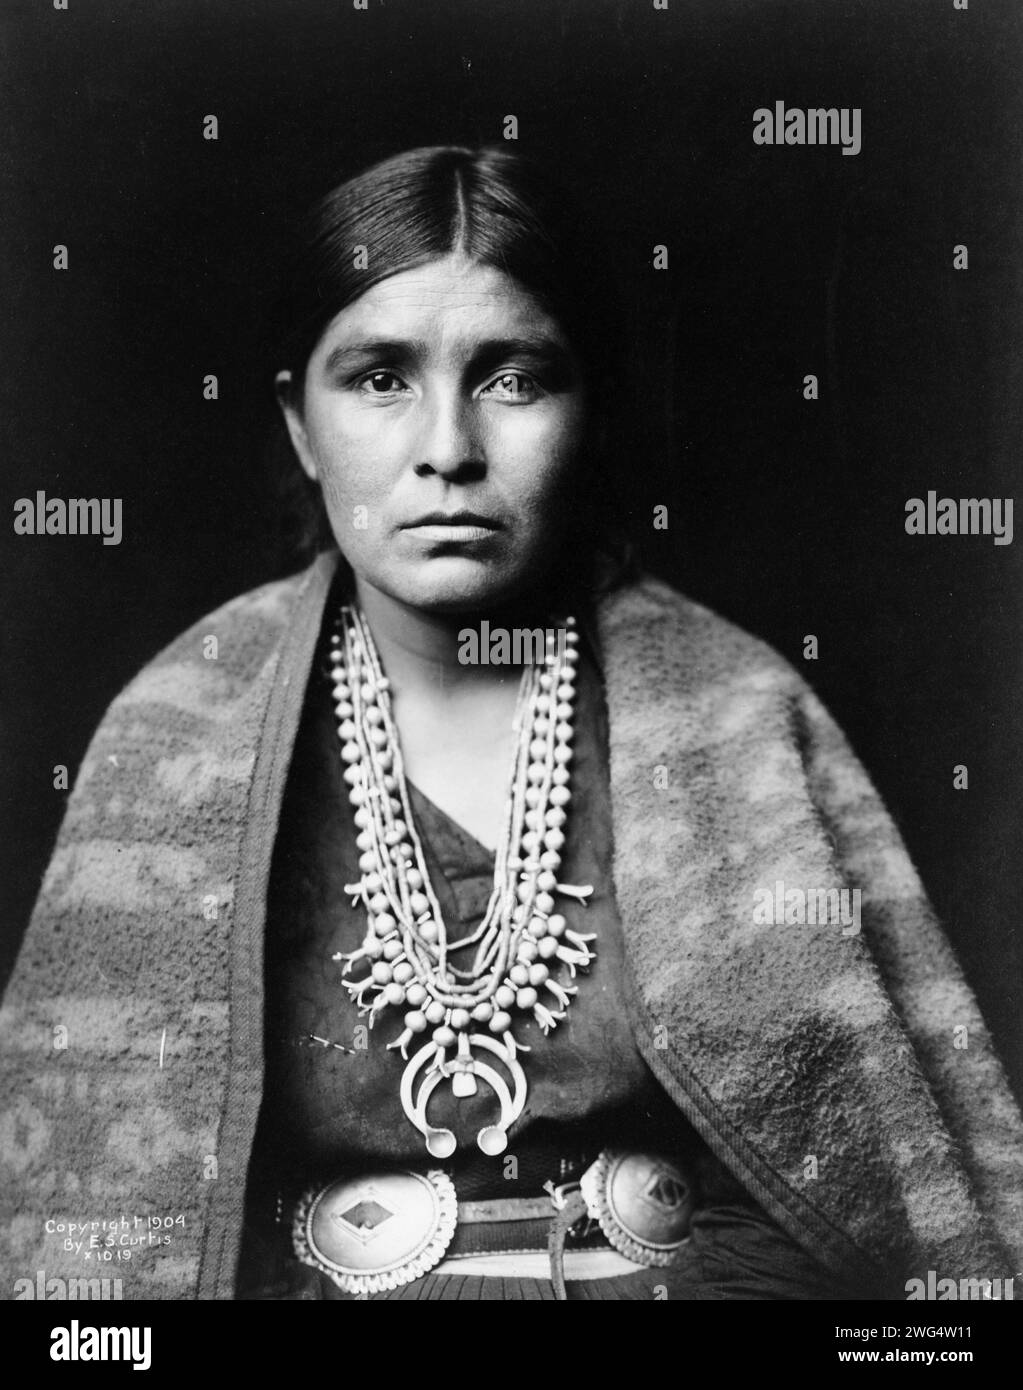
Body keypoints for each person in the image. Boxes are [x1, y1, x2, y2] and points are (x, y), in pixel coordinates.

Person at [2, 146, 1021, 1303]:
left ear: (591, 410)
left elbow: (886, 1195)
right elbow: (89, 1246)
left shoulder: (737, 715)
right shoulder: (177, 736)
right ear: (299, 424)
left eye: (514, 377)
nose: (449, 447)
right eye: (379, 378)